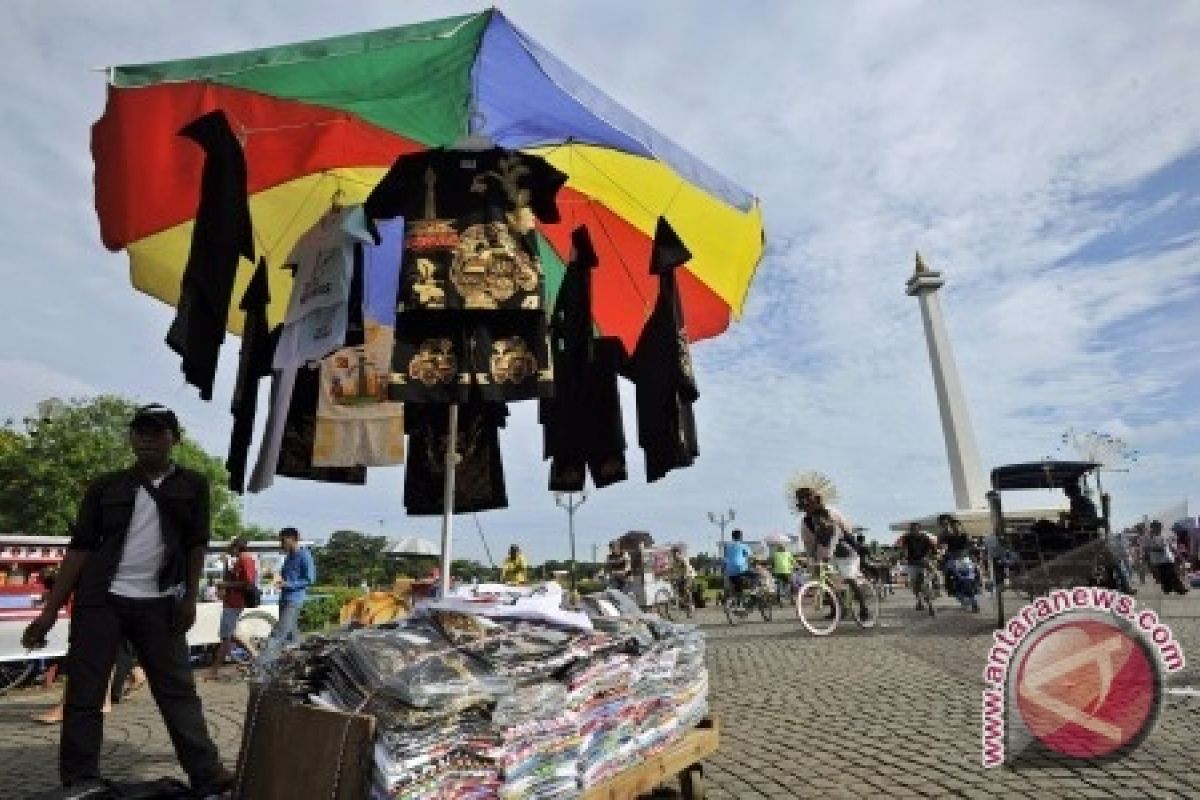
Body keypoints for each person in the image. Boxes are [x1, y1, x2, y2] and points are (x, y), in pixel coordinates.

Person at [20, 404, 233, 794]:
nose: (148, 438)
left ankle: (206, 772)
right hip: (101, 600)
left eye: (158, 431)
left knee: (177, 690)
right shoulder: (106, 486)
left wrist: (188, 598)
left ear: (174, 438)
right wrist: (50, 612)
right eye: (141, 431)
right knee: (85, 692)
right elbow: (81, 548)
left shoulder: (193, 485)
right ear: (131, 438)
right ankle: (80, 779)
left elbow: (195, 545)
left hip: (162, 603)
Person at [206, 536, 257, 681]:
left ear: (237, 547)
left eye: (231, 548)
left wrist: (226, 585)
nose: (229, 550)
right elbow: (237, 579)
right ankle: (257, 657)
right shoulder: (242, 559)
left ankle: (214, 670)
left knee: (226, 637)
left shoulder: (245, 560)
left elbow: (248, 583)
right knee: (230, 635)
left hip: (234, 602)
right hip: (232, 602)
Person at [271, 526, 315, 646]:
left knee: (277, 634)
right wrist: (277, 578)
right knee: (291, 634)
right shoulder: (289, 557)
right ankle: (299, 660)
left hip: (294, 600)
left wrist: (288, 584)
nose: (281, 544)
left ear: (292, 539)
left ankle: (263, 664)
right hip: (284, 598)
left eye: (283, 541)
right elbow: (286, 576)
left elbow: (309, 579)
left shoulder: (305, 555)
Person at [895, 523, 938, 611]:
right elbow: (902, 548)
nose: (913, 531)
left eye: (915, 529)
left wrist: (935, 556)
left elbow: (933, 549)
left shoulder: (925, 537)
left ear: (919, 529)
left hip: (923, 561)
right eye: (911, 529)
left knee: (929, 578)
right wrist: (901, 555)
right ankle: (919, 601)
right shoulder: (907, 537)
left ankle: (935, 588)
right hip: (912, 563)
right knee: (915, 585)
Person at [1145, 521, 1188, 595]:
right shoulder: (1149, 537)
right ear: (1153, 528)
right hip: (1159, 560)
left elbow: (1170, 546)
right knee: (1165, 575)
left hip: (1166, 558)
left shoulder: (1163, 537)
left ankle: (1177, 589)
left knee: (1171, 574)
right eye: (1157, 527)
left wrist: (1178, 554)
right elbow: (1148, 548)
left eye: (1160, 527)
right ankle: (1170, 589)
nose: (1159, 529)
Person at [722, 529, 758, 598]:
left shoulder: (727, 546)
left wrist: (724, 570)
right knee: (756, 576)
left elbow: (725, 559)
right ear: (741, 537)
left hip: (729, 570)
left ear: (732, 537)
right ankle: (753, 591)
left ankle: (737, 600)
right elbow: (751, 557)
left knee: (738, 587)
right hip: (740, 569)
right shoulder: (744, 546)